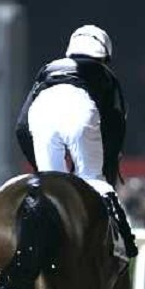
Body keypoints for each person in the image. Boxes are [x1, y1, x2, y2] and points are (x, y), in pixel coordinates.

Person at [15, 24, 138, 258]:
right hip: (80, 111)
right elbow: (114, 127)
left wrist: (38, 167)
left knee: (51, 188)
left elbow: (21, 128)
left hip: (40, 114)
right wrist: (106, 164)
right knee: (94, 181)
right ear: (104, 55)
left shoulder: (48, 69)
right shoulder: (105, 75)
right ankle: (124, 244)